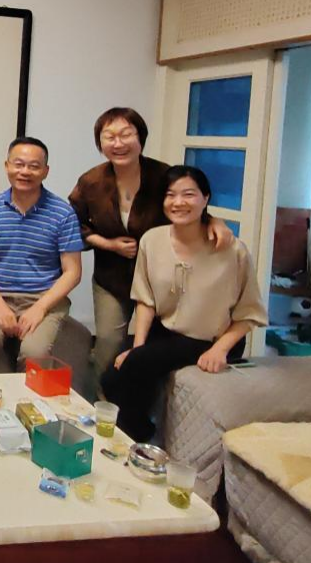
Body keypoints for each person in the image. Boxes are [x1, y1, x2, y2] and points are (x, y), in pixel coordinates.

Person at [69, 108, 232, 400]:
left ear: (141, 137)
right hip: (112, 278)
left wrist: (214, 221)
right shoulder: (91, 181)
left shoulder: (162, 176)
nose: (118, 143)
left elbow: (187, 205)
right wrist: (107, 244)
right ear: (100, 143)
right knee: (108, 342)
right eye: (109, 136)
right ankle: (100, 404)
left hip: (163, 280)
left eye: (126, 134)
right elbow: (72, 224)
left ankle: (148, 405)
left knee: (158, 346)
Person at [100, 165, 268, 442]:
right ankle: (141, 430)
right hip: (166, 331)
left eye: (188, 194)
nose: (178, 202)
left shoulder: (232, 250)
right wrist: (138, 347)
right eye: (170, 195)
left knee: (134, 368)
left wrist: (219, 350)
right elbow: (145, 300)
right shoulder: (152, 240)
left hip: (212, 338)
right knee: (111, 376)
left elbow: (249, 313)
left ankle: (133, 439)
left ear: (206, 198)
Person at [0, 137, 85, 372]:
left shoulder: (63, 213)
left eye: (34, 166)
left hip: (43, 298)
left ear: (45, 171)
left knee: (35, 352)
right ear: (7, 166)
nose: (25, 172)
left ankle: (30, 396)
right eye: (19, 164)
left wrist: (40, 308)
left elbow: (73, 272)